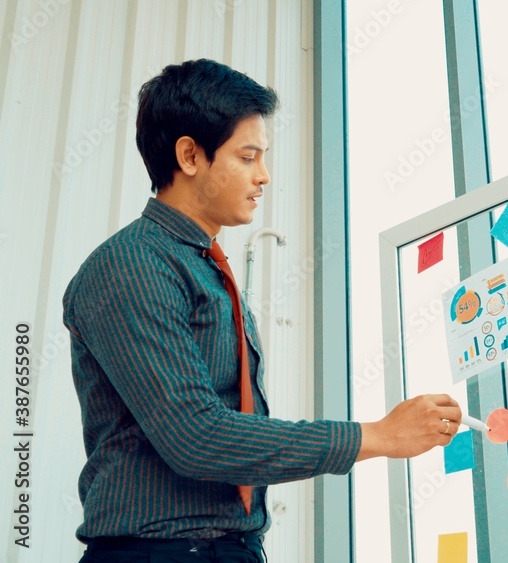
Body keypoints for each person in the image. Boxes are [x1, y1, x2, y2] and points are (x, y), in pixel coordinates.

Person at [63, 59, 462, 563]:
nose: (264, 176)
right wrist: (377, 436)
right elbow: (197, 436)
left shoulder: (206, 267)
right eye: (248, 157)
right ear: (189, 155)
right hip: (160, 552)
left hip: (227, 548)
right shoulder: (131, 265)